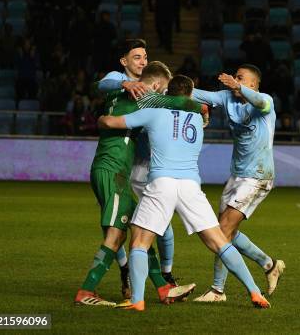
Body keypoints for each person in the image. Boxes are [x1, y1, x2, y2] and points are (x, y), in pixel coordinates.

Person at [98, 75, 270, 310]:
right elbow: (194, 109)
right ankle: (255, 291)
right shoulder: (199, 119)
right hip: (191, 186)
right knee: (220, 242)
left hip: (162, 183)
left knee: (139, 241)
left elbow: (112, 123)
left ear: (168, 94)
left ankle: (137, 300)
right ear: (190, 95)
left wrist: (101, 118)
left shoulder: (154, 113)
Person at [73, 61, 204, 307]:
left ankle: (163, 288)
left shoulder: (119, 92)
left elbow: (99, 89)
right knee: (116, 234)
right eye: (162, 90)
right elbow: (178, 102)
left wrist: (103, 117)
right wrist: (199, 107)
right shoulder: (142, 96)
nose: (163, 95)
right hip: (112, 170)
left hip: (115, 170)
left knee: (140, 228)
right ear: (155, 85)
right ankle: (86, 290)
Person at [189, 65, 285, 302]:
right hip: (237, 175)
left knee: (222, 231)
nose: (234, 79)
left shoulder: (264, 101)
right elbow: (197, 94)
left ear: (252, 84)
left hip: (258, 176)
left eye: (241, 78)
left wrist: (237, 86)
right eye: (235, 76)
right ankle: (269, 264)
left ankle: (217, 290)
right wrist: (168, 84)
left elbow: (263, 104)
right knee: (226, 231)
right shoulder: (227, 97)